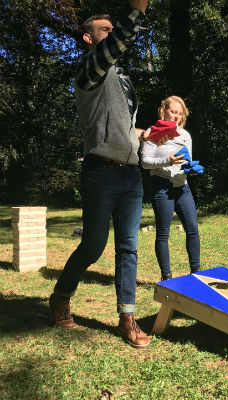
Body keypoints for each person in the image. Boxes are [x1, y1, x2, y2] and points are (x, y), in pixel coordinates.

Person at [49, 0, 157, 348]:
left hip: (131, 175)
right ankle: (61, 294)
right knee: (94, 246)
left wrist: (150, 134)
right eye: (103, 30)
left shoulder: (122, 81)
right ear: (87, 38)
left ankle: (127, 317)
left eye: (112, 28)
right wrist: (136, 10)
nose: (110, 34)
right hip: (100, 173)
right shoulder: (88, 70)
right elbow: (120, 40)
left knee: (129, 248)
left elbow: (124, 129)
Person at [141, 96, 201, 281]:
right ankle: (167, 277)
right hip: (162, 187)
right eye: (173, 111)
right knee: (163, 234)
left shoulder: (185, 135)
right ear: (163, 111)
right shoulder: (152, 133)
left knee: (192, 230)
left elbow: (187, 160)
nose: (176, 116)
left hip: (183, 187)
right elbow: (145, 162)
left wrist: (191, 169)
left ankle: (196, 274)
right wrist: (168, 160)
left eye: (179, 113)